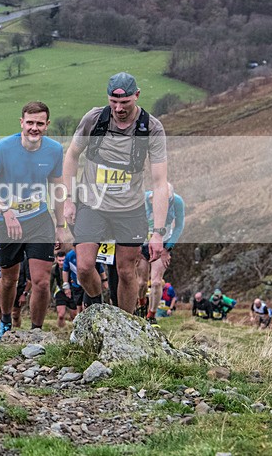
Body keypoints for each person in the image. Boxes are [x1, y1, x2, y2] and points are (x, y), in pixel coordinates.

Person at [62, 72, 168, 314]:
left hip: (129, 209)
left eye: (125, 102)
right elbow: (72, 156)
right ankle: (97, 307)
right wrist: (67, 199)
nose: (119, 108)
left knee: (126, 271)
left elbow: (160, 182)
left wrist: (158, 232)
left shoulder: (151, 128)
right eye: (114, 102)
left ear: (137, 96)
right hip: (92, 204)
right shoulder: (94, 119)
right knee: (85, 266)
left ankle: (124, 322)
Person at [0, 101, 66, 340]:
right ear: (21, 123)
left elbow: (58, 189)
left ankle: (36, 331)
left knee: (41, 281)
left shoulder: (55, 150)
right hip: (5, 221)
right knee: (10, 280)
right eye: (30, 123)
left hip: (39, 220)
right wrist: (5, 210)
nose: (34, 128)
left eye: (40, 123)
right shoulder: (2, 148)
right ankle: (6, 321)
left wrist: (60, 226)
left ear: (47, 125)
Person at [135, 183, 185, 325]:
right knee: (141, 282)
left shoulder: (177, 202)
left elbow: (179, 226)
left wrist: (167, 249)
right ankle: (141, 305)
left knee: (156, 282)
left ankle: (151, 315)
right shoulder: (143, 200)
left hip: (163, 244)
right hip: (143, 243)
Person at [62, 248, 106, 313]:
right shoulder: (69, 256)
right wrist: (66, 286)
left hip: (89, 284)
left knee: (86, 305)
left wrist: (105, 280)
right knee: (78, 307)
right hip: (76, 285)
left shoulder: (90, 253)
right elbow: (65, 270)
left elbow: (100, 268)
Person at [51, 250, 77, 327]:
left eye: (63, 260)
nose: (61, 262)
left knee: (74, 316)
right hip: (60, 291)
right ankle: (61, 329)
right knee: (61, 315)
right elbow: (50, 282)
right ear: (56, 260)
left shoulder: (72, 267)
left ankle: (75, 330)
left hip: (73, 291)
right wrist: (49, 294)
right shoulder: (53, 269)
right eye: (59, 260)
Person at [11, 257, 32, 329]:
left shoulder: (24, 260)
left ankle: (16, 330)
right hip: (7, 288)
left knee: (15, 314)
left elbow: (29, 280)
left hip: (19, 289)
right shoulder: (5, 255)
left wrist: (24, 294)